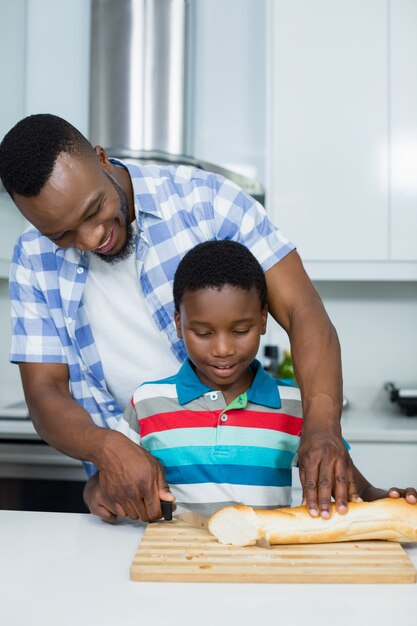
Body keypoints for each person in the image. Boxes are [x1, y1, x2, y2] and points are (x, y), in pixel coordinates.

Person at [0, 113, 350, 521]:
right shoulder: (32, 257)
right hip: (132, 503)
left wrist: (323, 428)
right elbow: (45, 394)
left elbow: (303, 311)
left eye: (94, 210)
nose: (91, 239)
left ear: (101, 158)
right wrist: (107, 450)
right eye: (62, 235)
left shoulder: (206, 203)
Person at [84, 241, 417, 523]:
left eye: (240, 330)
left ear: (262, 321)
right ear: (178, 323)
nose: (223, 349)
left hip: (266, 573)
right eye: (202, 333)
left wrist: (388, 499)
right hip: (181, 568)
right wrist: (96, 491)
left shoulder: (295, 405)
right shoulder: (147, 402)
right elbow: (107, 481)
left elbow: (355, 487)